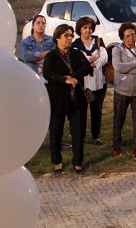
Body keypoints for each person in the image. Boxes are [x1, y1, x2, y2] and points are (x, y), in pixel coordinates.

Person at [43, 25, 92, 174]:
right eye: (66, 35)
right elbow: (47, 73)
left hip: (76, 100)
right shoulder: (51, 56)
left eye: (71, 35)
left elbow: (87, 68)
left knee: (78, 132)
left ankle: (77, 162)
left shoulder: (77, 54)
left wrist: (74, 77)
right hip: (58, 99)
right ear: (58, 37)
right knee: (56, 132)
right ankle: (57, 161)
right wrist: (64, 80)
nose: (70, 38)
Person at [111, 22, 136, 160]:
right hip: (121, 90)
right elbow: (118, 67)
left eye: (133, 35)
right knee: (118, 118)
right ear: (122, 38)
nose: (131, 38)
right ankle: (116, 144)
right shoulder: (117, 50)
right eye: (128, 36)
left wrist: (131, 68)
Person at [72, 16, 109, 146]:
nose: (87, 30)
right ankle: (80, 136)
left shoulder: (98, 41)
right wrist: (94, 57)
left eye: (89, 27)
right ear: (80, 29)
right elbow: (78, 61)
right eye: (85, 28)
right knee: (81, 112)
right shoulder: (75, 44)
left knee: (97, 111)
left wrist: (92, 62)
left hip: (99, 83)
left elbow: (104, 57)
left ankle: (96, 136)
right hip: (83, 84)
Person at [20, 14, 54, 79]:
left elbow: (53, 57)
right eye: (38, 23)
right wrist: (47, 53)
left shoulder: (51, 40)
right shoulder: (26, 41)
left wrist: (33, 58)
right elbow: (26, 56)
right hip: (32, 75)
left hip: (47, 76)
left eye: (43, 23)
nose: (41, 25)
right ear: (33, 25)